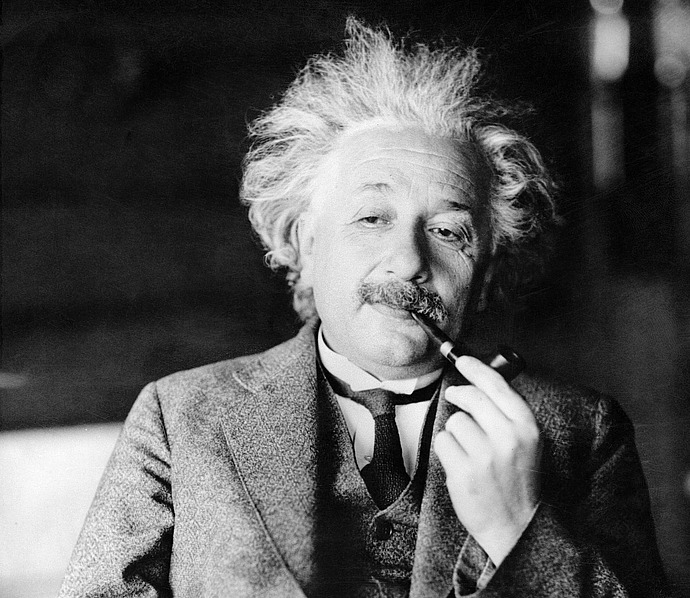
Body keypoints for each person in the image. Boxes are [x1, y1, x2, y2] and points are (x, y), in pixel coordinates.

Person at [60, 18, 669, 598]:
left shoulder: (583, 432)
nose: (407, 261)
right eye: (373, 218)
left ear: (486, 273)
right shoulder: (181, 418)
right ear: (305, 244)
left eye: (449, 232)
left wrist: (518, 530)